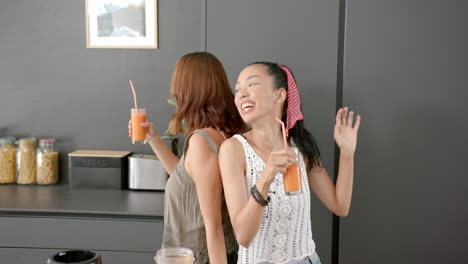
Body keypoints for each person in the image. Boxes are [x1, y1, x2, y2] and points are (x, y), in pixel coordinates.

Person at [219, 62, 361, 264]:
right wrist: (266, 177)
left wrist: (347, 153)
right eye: (238, 89)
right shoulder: (233, 150)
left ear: (279, 95)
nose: (241, 94)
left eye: (251, 85)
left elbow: (340, 206)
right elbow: (243, 236)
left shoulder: (299, 148)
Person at [129, 52, 247, 264]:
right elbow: (187, 179)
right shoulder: (225, 132)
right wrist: (154, 139)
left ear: (190, 89)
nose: (172, 91)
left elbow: (213, 225)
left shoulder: (202, 142)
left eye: (177, 82)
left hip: (199, 257)